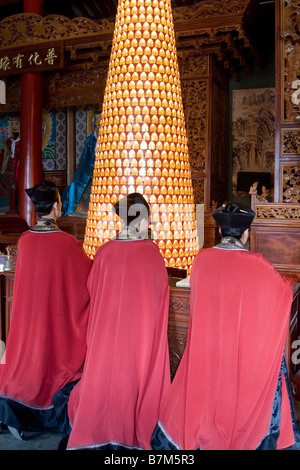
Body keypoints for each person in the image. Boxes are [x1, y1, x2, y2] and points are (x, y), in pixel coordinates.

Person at [151, 202, 300, 450]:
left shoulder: (201, 260)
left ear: (220, 231)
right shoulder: (258, 264)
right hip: (240, 350)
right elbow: (284, 292)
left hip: (206, 348)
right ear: (246, 234)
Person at [66, 192, 171, 450]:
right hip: (139, 336)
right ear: (141, 220)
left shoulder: (104, 252)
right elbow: (161, 295)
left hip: (106, 334)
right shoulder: (151, 254)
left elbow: (92, 290)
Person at [0, 181, 92, 439]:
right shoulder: (67, 243)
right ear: (55, 206)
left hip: (28, 320)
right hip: (54, 319)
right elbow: (88, 279)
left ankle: (16, 408)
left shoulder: (26, 240)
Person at [61, 110, 102, 217]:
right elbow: (84, 158)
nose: (98, 121)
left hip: (104, 172)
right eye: (96, 119)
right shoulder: (90, 140)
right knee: (75, 185)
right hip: (89, 171)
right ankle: (72, 209)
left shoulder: (110, 138)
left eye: (100, 119)